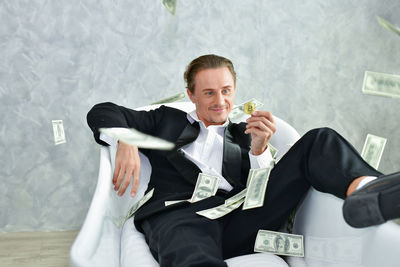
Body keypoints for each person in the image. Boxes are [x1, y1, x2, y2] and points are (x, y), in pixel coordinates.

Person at [87, 54, 400, 267]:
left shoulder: (243, 131)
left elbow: (258, 196)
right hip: (182, 214)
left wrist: (260, 150)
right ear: (191, 94)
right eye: (209, 93)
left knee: (319, 139)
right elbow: (102, 111)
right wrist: (127, 137)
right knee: (189, 247)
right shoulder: (165, 120)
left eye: (226, 91)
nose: (220, 101)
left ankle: (368, 190)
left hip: (242, 218)